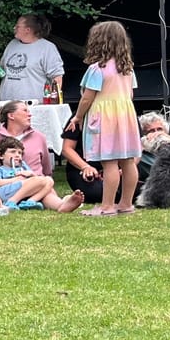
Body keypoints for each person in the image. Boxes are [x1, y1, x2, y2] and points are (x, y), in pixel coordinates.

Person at [69, 20, 139, 216]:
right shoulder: (127, 68)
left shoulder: (96, 69)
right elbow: (130, 95)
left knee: (109, 163)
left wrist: (78, 116)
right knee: (127, 161)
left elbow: (87, 97)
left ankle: (107, 205)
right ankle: (126, 203)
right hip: (126, 116)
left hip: (104, 118)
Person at [0, 136, 84, 214]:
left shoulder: (23, 167)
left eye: (20, 153)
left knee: (48, 182)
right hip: (7, 192)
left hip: (28, 192)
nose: (17, 155)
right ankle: (12, 201)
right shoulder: (0, 170)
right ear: (1, 155)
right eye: (13, 152)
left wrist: (31, 174)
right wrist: (17, 179)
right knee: (44, 180)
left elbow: (38, 181)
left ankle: (60, 205)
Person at [0, 13, 65, 102]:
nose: (14, 28)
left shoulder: (47, 48)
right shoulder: (12, 44)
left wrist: (51, 102)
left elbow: (57, 78)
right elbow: (4, 71)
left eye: (17, 26)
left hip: (34, 105)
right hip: (6, 103)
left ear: (27, 30)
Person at [0, 101, 54, 179]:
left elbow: (47, 171)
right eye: (25, 111)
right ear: (11, 115)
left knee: (49, 186)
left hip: (32, 184)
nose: (30, 114)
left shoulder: (39, 137)